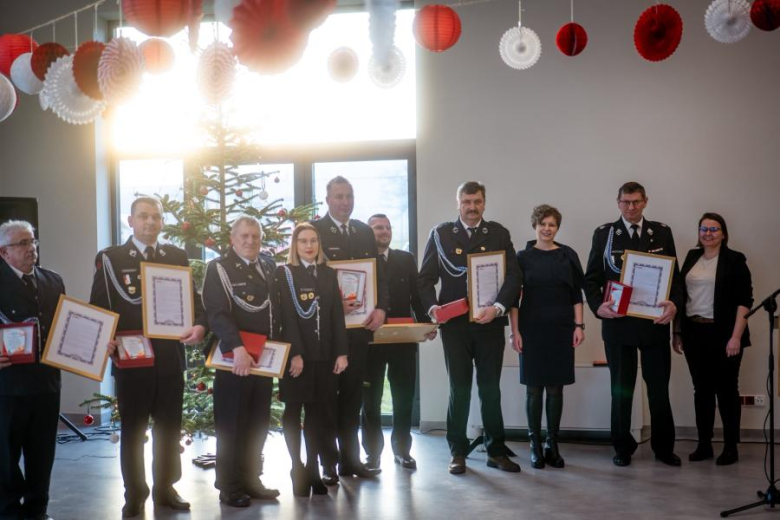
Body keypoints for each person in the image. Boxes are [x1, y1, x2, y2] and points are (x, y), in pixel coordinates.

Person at [90, 197, 207, 518]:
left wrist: (199, 325)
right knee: (133, 430)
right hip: (132, 361)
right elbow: (99, 306)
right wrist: (105, 338)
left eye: (156, 216)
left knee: (169, 429)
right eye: (143, 216)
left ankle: (166, 488)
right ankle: (135, 493)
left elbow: (195, 304)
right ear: (130, 220)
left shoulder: (176, 256)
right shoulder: (111, 259)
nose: (150, 222)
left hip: (170, 359)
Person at [418, 181, 523, 475]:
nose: (472, 207)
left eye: (477, 201)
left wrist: (499, 308)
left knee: (490, 390)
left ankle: (496, 451)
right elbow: (424, 279)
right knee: (459, 389)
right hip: (455, 326)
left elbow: (514, 277)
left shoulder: (499, 234)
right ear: (458, 203)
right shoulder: (440, 235)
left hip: (489, 324)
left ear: (484, 203)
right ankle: (457, 451)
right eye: (466, 202)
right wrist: (432, 309)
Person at [584, 182, 683, 467]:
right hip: (618, 325)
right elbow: (591, 279)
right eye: (626, 202)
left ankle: (664, 448)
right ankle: (622, 447)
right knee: (621, 389)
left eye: (636, 202)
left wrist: (674, 305)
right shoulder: (605, 234)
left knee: (658, 390)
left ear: (645, 202)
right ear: (618, 203)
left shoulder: (662, 232)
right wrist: (598, 307)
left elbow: (674, 277)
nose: (631, 207)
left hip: (653, 324)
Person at [310, 176, 388, 483]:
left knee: (354, 395)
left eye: (349, 196)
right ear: (327, 200)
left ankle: (351, 460)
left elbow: (378, 272)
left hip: (359, 329)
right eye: (339, 196)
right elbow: (309, 279)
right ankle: (328, 462)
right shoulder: (315, 231)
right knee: (328, 397)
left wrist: (381, 307)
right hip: (328, 332)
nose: (345, 201)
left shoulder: (363, 231)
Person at [202, 216, 281, 507]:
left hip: (265, 358)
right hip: (234, 358)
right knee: (231, 423)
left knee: (257, 422)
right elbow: (217, 313)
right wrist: (237, 348)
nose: (251, 241)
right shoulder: (219, 268)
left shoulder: (269, 265)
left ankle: (251, 479)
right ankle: (229, 485)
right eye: (245, 236)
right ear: (232, 238)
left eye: (256, 236)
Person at [672, 213, 752, 466]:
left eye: (714, 229)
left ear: (723, 233)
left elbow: (744, 301)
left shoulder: (735, 260)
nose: (708, 233)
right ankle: (704, 444)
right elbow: (680, 296)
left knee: (727, 391)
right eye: (703, 229)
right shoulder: (692, 257)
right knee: (702, 391)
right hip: (694, 332)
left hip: (725, 334)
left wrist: (735, 337)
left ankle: (730, 447)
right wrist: (677, 332)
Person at [276, 223, 349, 497]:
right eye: (303, 241)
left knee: (318, 414)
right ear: (295, 245)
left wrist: (341, 352)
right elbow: (286, 317)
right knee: (293, 411)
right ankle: (296, 467)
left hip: (324, 356)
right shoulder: (285, 274)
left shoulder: (329, 274)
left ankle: (312, 469)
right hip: (297, 357)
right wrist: (295, 353)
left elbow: (336, 316)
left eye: (313, 241)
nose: (309, 246)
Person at [509, 205, 585, 469]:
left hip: (561, 328)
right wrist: (515, 331)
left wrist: (579, 326)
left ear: (557, 227)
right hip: (531, 328)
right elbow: (514, 300)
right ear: (535, 225)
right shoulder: (522, 257)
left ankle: (553, 444)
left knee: (556, 388)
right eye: (542, 223)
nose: (547, 228)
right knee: (533, 388)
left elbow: (577, 294)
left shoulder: (568, 255)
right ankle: (535, 445)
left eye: (552, 224)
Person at [361, 214, 436, 471]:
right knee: (370, 399)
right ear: (368, 233)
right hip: (369, 341)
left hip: (403, 340)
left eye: (387, 227)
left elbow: (417, 297)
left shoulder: (405, 259)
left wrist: (427, 324)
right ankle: (372, 454)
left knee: (403, 397)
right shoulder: (362, 262)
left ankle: (402, 450)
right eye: (377, 227)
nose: (384, 231)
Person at [0, 221, 63, 520]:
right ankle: (10, 509)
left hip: (47, 381)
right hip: (8, 384)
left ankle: (38, 509)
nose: (31, 249)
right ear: (4, 252)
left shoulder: (53, 281)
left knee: (42, 453)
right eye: (22, 244)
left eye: (33, 242)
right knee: (6, 453)